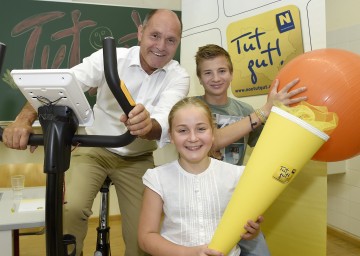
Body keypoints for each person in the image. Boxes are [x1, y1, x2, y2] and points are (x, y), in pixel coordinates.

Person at [2, 9, 189, 256]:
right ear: (141, 33)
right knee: (70, 209)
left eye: (171, 40)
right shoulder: (111, 58)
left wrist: (148, 125)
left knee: (144, 235)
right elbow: (61, 84)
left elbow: (165, 118)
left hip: (137, 157)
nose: (161, 46)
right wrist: (24, 119)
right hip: (94, 149)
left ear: (178, 43)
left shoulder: (178, 76)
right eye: (155, 35)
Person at [193, 44, 307, 255]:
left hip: (236, 197)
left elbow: (267, 147)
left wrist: (286, 116)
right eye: (208, 72)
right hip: (201, 195)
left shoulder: (244, 111)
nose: (216, 78)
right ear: (199, 78)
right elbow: (213, 141)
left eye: (222, 71)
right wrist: (264, 111)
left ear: (231, 74)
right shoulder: (191, 107)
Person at [138, 97, 264, 256]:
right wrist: (190, 253)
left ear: (213, 132)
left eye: (201, 129)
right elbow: (146, 237)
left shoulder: (236, 175)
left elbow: (247, 230)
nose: (193, 138)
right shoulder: (157, 178)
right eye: (183, 130)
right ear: (171, 136)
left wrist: (251, 231)